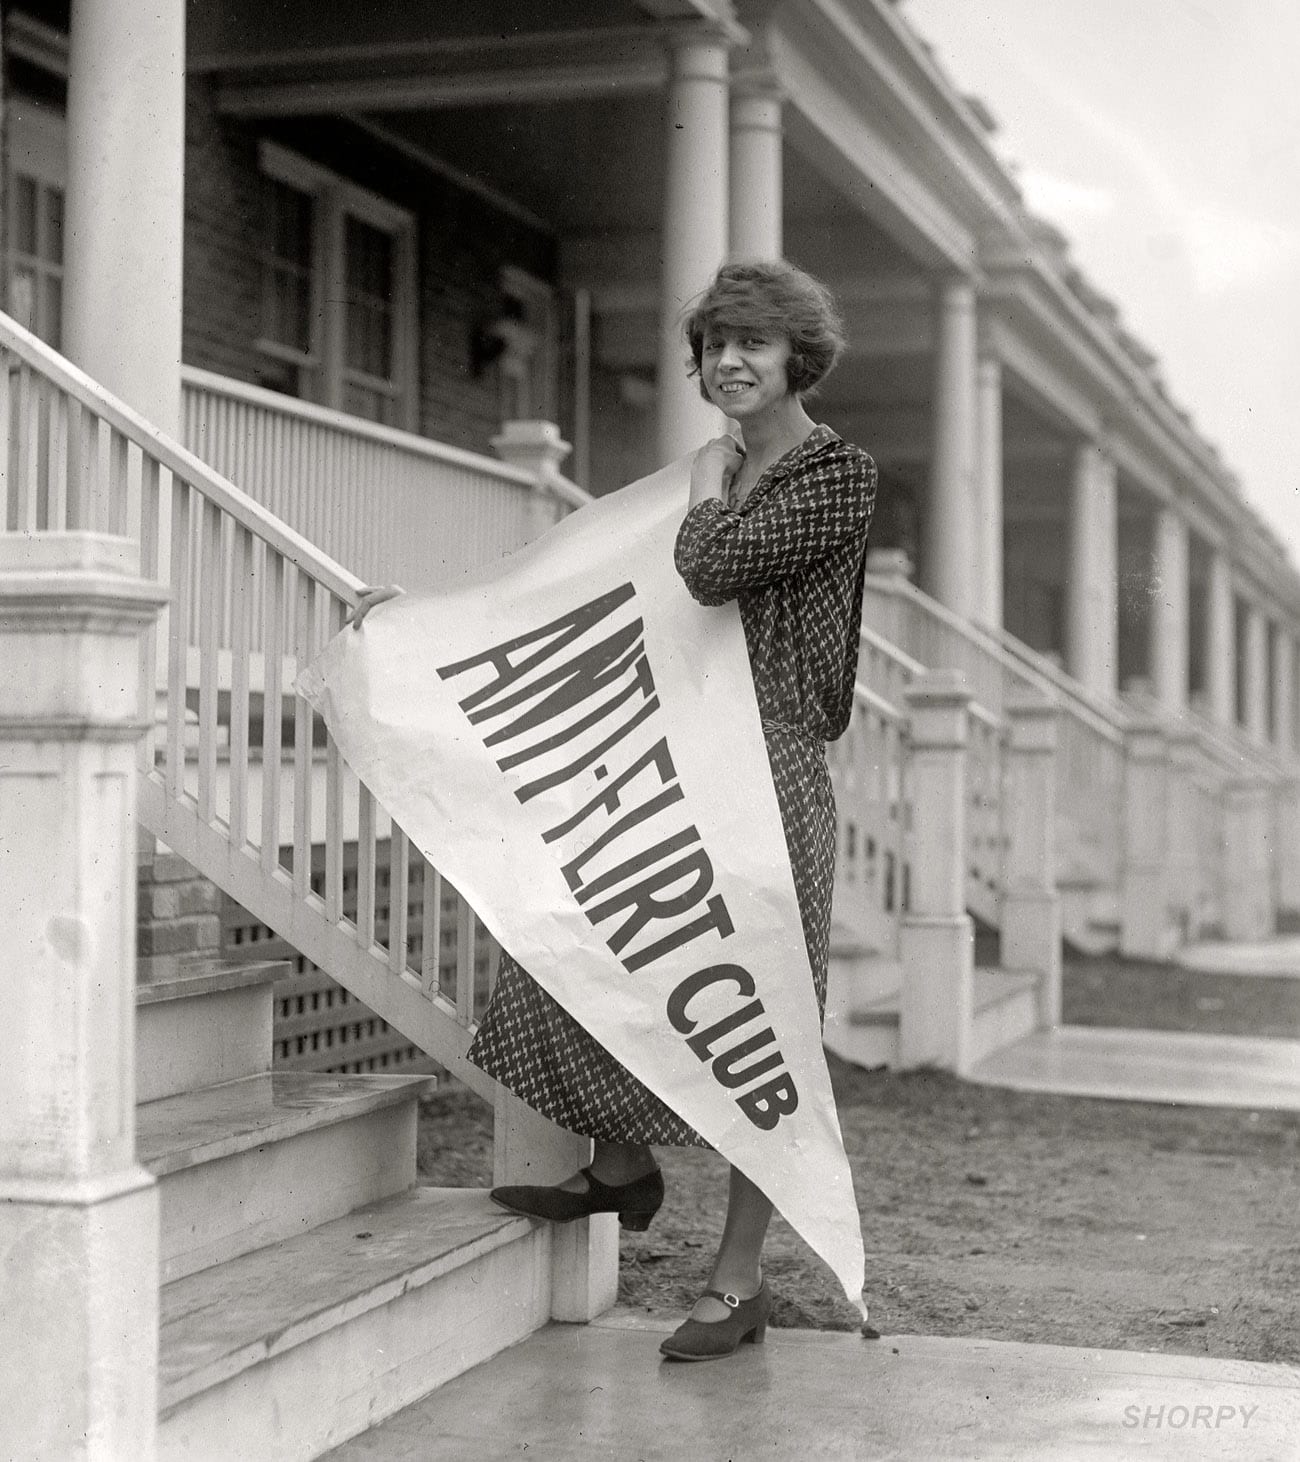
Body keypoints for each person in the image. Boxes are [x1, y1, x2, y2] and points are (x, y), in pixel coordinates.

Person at [350, 259, 877, 1361]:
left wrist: (701, 490)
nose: (726, 363)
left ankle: (738, 1283)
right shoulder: (706, 470)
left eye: (753, 345)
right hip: (682, 765)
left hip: (773, 774)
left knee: (757, 1025)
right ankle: (624, 1164)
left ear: (797, 359)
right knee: (575, 938)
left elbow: (712, 565)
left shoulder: (833, 475)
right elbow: (582, 587)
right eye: (713, 345)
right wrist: (429, 625)